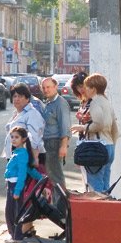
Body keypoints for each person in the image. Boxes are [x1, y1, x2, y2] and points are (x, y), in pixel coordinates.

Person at [2, 83, 45, 239]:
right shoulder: (17, 113)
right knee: (20, 197)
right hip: (17, 158)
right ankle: (23, 230)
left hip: (26, 159)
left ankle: (19, 232)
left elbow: (34, 139)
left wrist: (33, 159)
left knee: (20, 198)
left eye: (20, 96)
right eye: (14, 96)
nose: (16, 99)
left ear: (28, 98)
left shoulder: (32, 114)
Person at [70, 73, 118, 193]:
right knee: (105, 186)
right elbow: (115, 128)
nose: (84, 90)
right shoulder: (106, 102)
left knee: (95, 188)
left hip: (97, 147)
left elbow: (98, 125)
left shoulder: (95, 102)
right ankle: (107, 210)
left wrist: (82, 127)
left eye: (87, 87)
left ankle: (99, 211)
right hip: (109, 145)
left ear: (93, 89)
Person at [3, 126, 43, 243]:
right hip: (12, 184)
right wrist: (40, 177)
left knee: (13, 211)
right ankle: (15, 234)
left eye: (16, 137)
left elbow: (21, 174)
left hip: (15, 185)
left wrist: (17, 191)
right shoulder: (19, 153)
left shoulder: (21, 154)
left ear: (24, 139)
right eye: (12, 137)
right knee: (11, 210)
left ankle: (16, 236)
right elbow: (28, 169)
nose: (13, 139)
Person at [39, 76, 72, 215]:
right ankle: (58, 210)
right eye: (44, 87)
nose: (46, 90)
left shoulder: (60, 103)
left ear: (55, 87)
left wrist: (63, 146)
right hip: (48, 143)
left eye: (49, 87)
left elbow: (65, 126)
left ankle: (62, 211)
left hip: (55, 143)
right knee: (52, 177)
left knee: (56, 177)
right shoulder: (49, 103)